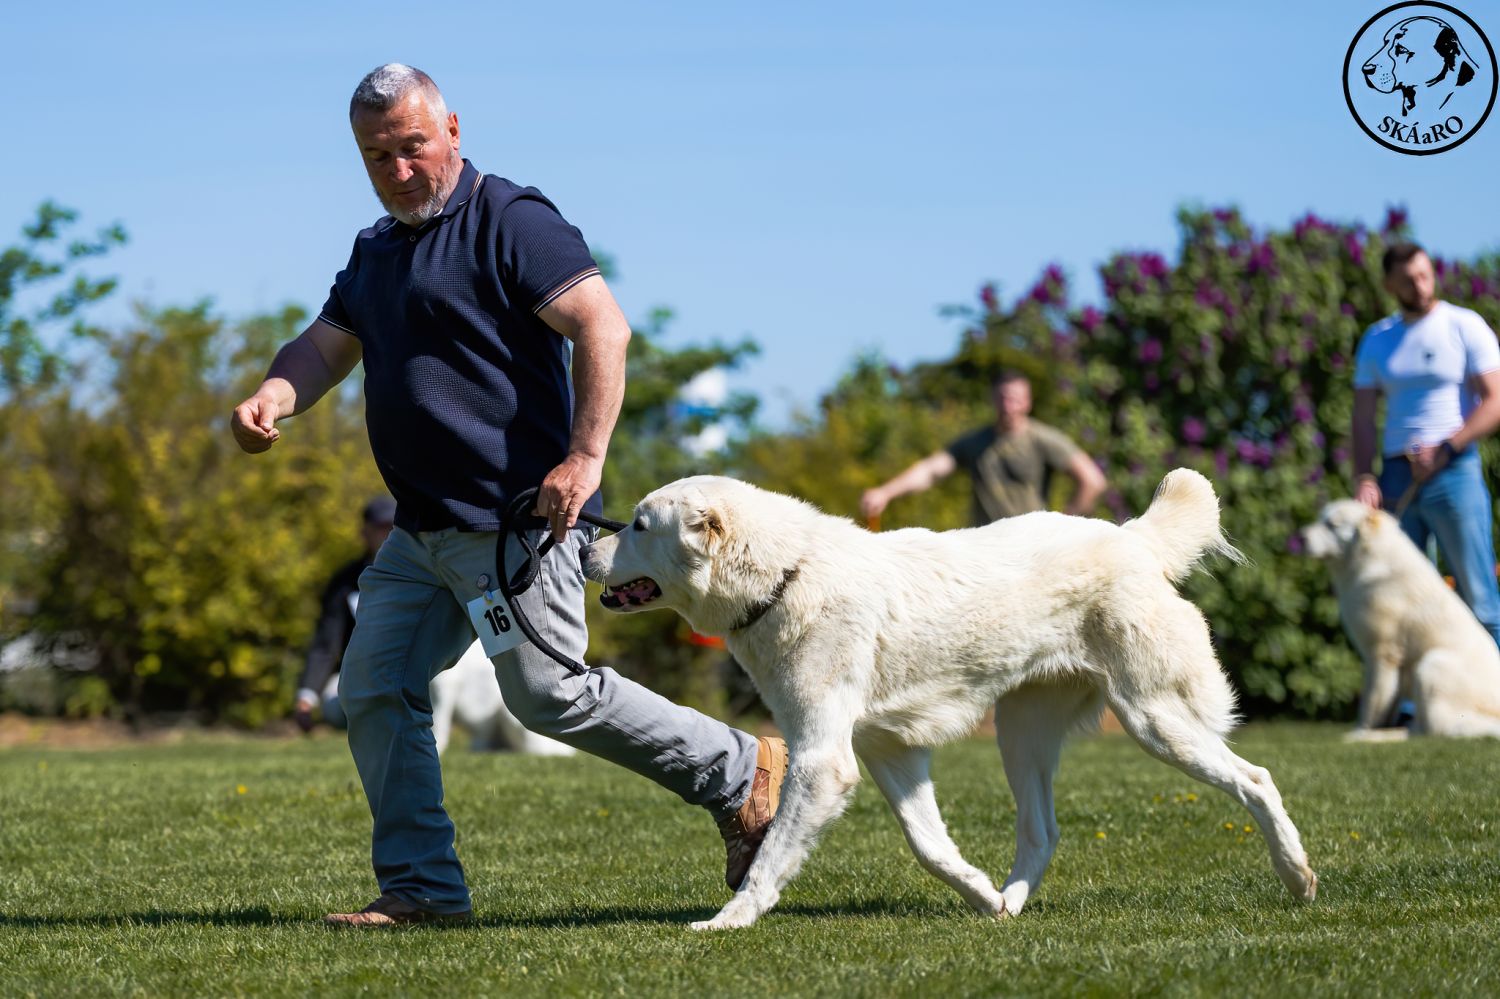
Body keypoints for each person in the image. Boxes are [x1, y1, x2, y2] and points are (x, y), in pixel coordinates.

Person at [230, 64, 785, 926]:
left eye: (413, 146)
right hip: (421, 532)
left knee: (548, 693)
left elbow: (603, 326)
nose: (398, 169)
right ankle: (422, 886)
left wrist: (585, 456)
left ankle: (741, 770)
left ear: (452, 129)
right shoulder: (377, 250)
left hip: (515, 524)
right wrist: (274, 393)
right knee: (373, 685)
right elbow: (325, 346)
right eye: (377, 156)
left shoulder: (511, 219)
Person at [1352, 241, 1500, 649]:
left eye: (1423, 275)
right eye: (1407, 280)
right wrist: (1364, 476)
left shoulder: (1463, 325)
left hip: (1454, 472)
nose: (1419, 286)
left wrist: (1446, 448)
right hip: (1396, 478)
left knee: (1480, 601)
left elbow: (1495, 401)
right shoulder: (1377, 339)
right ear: (1389, 285)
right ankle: (1418, 692)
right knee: (1403, 604)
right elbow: (1362, 417)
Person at [860, 371, 1107, 526]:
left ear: (1027, 402)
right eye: (1003, 398)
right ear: (993, 399)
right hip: (986, 549)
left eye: (1015, 399)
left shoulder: (1043, 439)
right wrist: (885, 492)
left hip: (1033, 551)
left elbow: (1093, 481)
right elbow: (930, 471)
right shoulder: (976, 442)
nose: (1008, 406)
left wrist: (1064, 525)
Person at [293, 497, 395, 733]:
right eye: (381, 528)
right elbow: (326, 643)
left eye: (394, 527)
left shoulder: (424, 575)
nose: (388, 535)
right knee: (333, 705)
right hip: (364, 676)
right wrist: (306, 697)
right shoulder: (345, 582)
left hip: (416, 673)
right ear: (365, 533)